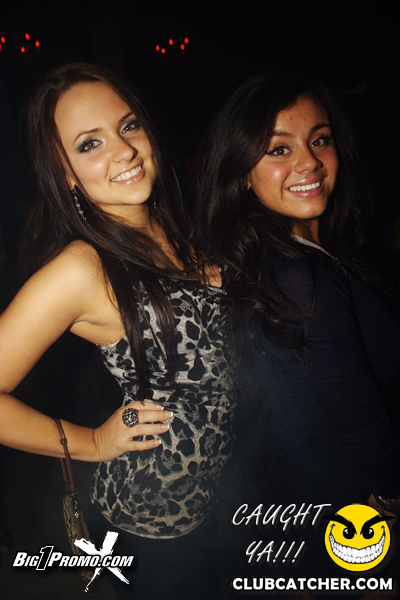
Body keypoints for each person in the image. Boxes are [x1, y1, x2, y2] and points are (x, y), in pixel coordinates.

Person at [0, 63, 236, 599]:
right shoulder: (82, 269)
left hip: (227, 491)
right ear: (64, 174)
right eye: (90, 144)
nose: (125, 150)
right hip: (157, 520)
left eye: (129, 126)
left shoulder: (185, 230)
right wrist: (90, 443)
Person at [195, 74, 400, 596]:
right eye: (279, 149)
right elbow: (360, 430)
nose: (309, 161)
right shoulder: (297, 275)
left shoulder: (294, 256)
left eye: (320, 139)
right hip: (338, 514)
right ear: (242, 171)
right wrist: (390, 499)